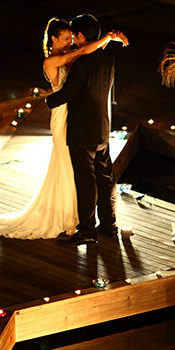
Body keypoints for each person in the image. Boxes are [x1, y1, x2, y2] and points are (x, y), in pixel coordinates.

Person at [0, 17, 126, 239]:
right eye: (66, 38)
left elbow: (85, 53)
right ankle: (78, 218)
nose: (70, 41)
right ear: (53, 39)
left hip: (79, 117)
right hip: (68, 117)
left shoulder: (84, 56)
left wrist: (107, 38)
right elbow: (82, 53)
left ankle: (82, 221)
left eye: (72, 37)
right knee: (77, 169)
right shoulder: (53, 61)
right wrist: (107, 38)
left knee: (82, 173)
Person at [45, 14, 122, 247]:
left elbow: (69, 94)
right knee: (105, 177)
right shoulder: (107, 58)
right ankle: (109, 226)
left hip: (81, 131)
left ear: (79, 36)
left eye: (73, 36)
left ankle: (88, 230)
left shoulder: (82, 63)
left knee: (86, 181)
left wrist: (49, 101)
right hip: (102, 129)